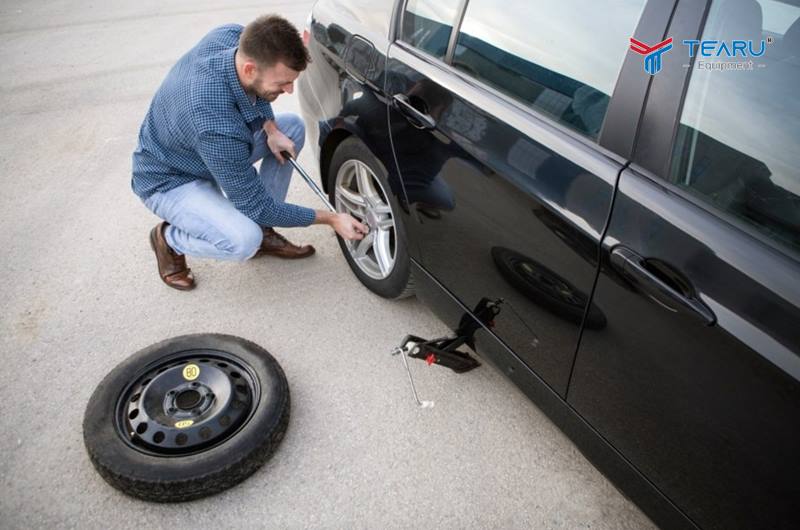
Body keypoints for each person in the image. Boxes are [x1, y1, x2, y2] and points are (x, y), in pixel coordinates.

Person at [131, 15, 368, 291]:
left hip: (201, 149)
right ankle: (169, 239)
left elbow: (257, 92)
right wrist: (331, 218)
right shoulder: (215, 124)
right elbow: (256, 204)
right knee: (244, 240)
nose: (289, 89)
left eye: (291, 81)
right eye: (282, 83)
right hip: (170, 179)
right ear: (249, 69)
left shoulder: (232, 36)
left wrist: (270, 128)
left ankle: (265, 230)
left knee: (289, 127)